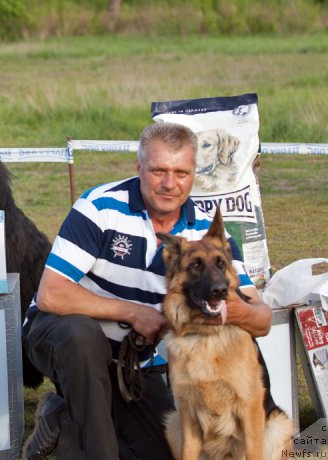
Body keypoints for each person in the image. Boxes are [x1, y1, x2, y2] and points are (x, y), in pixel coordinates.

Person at [21, 123, 272, 459]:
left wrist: (238, 311)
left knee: (164, 449)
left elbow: (261, 318)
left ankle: (61, 419)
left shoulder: (209, 237)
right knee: (82, 338)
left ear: (194, 173)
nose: (170, 183)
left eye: (181, 172)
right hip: (62, 337)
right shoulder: (100, 207)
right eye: (158, 171)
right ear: (139, 167)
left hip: (135, 363)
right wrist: (133, 312)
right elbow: (53, 295)